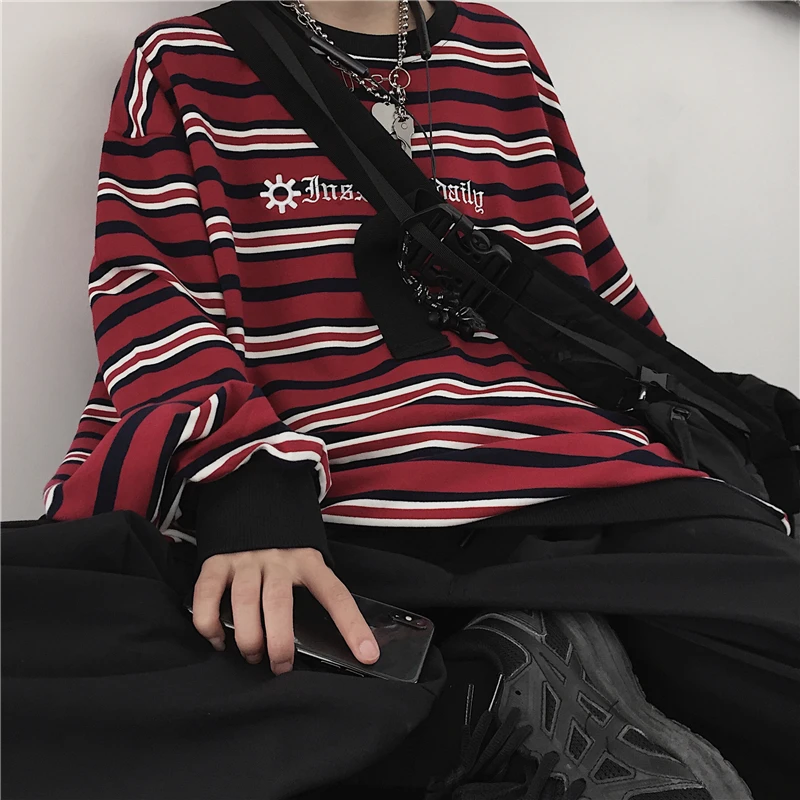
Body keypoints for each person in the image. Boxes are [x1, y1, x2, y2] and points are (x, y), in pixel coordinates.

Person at [5, 2, 798, 799]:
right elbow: (149, 299)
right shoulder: (185, 59)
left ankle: (488, 701)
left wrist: (704, 455)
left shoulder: (500, 51)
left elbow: (588, 302)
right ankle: (492, 693)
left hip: (579, 492)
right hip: (335, 513)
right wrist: (252, 495)